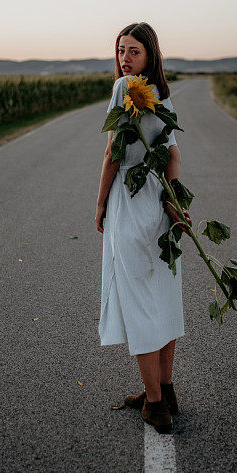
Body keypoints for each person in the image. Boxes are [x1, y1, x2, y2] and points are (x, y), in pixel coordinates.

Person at [95, 22, 192, 434]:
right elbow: (173, 157)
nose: (125, 60)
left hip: (131, 204)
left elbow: (113, 152)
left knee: (137, 301)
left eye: (133, 51)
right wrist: (171, 202)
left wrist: (100, 201)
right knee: (162, 294)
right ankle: (166, 389)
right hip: (157, 200)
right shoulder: (162, 95)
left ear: (150, 55)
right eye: (120, 51)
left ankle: (154, 404)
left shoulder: (126, 89)